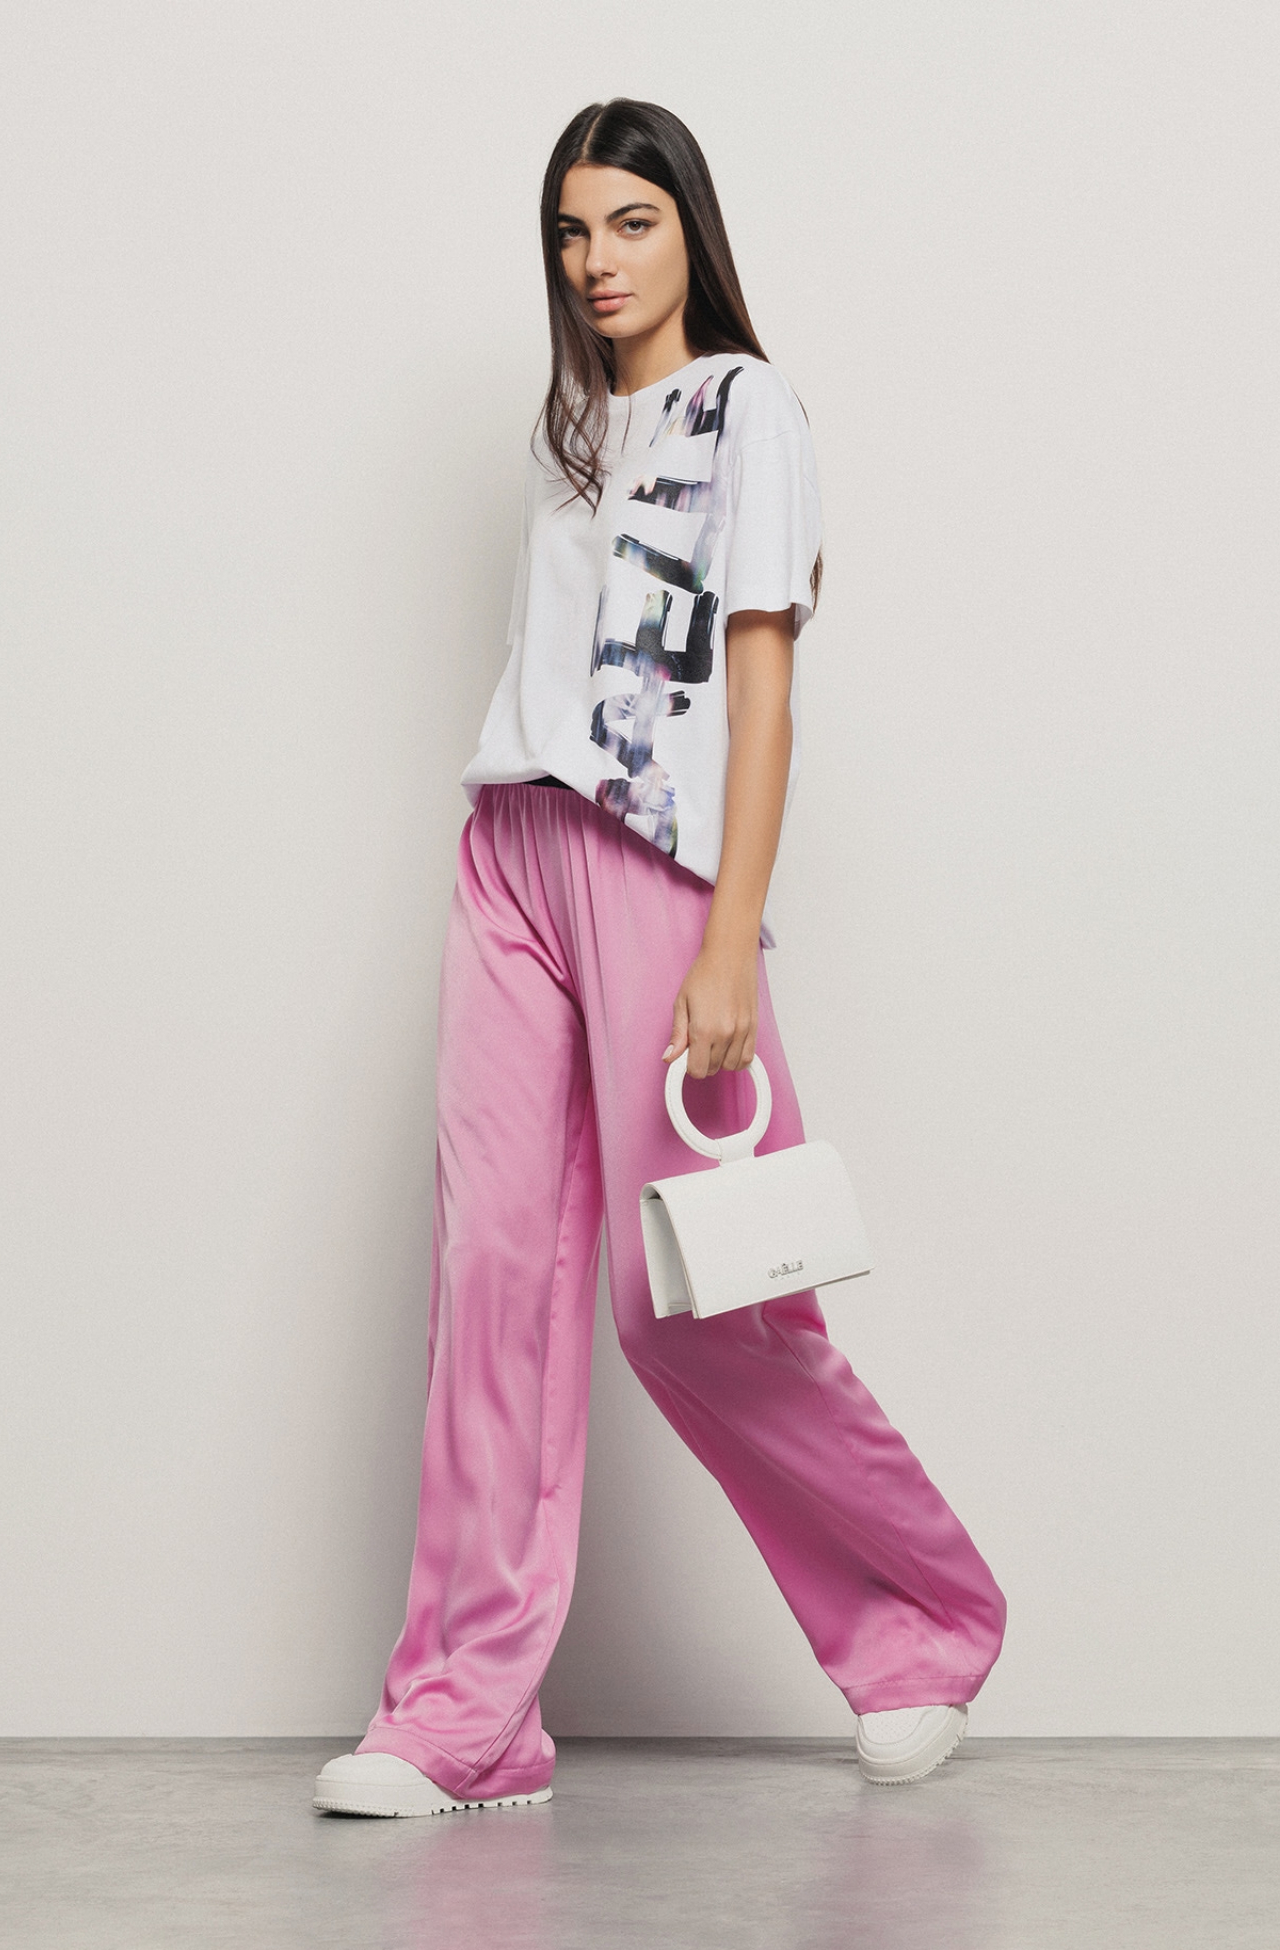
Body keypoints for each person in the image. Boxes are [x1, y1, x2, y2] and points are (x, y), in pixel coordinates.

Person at [314, 98, 1004, 1817]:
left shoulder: (744, 408)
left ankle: (922, 1627)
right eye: (570, 230)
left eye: (628, 221)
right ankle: (464, 1713)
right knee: (491, 1280)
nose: (596, 259)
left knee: (693, 1300)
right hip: (508, 852)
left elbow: (761, 692)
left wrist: (724, 938)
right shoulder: (567, 435)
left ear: (689, 227)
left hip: (656, 866)